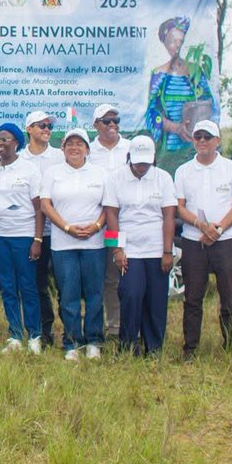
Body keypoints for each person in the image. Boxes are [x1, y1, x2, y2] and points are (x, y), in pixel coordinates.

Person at [173, 120, 232, 360]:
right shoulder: (183, 170)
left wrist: (219, 228)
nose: (202, 141)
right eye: (198, 137)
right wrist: (201, 225)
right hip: (194, 240)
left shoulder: (231, 168)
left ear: (218, 140)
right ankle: (190, 349)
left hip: (226, 240)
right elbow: (180, 207)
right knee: (193, 297)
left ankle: (231, 347)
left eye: (207, 137)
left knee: (229, 296)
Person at [103, 135, 176, 357]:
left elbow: (169, 217)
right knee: (131, 294)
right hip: (129, 248)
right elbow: (111, 215)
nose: (141, 166)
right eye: (137, 162)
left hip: (156, 248)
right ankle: (128, 344)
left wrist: (167, 251)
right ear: (129, 158)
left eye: (146, 162)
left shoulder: (163, 178)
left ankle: (153, 347)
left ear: (153, 158)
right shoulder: (116, 178)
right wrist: (116, 250)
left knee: (156, 299)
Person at [40, 128, 109, 360]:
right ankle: (71, 342)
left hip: (94, 243)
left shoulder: (100, 173)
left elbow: (109, 207)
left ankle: (94, 341)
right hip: (63, 244)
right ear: (63, 149)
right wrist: (67, 227)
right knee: (68, 295)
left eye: (80, 144)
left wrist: (97, 227)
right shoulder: (53, 173)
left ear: (87, 149)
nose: (74, 148)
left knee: (94, 294)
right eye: (70, 144)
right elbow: (46, 205)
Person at [0, 121, 43, 353]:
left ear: (16, 142)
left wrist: (37, 240)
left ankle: (35, 336)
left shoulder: (29, 169)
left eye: (5, 139)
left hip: (23, 235)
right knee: (7, 286)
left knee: (27, 286)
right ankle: (15, 336)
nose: (0, 143)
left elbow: (39, 208)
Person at [20, 110, 63, 349]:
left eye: (49, 126)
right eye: (41, 125)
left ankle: (72, 331)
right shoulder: (19, 159)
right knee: (37, 284)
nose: (46, 129)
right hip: (33, 232)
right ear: (29, 129)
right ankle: (44, 331)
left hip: (61, 231)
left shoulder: (60, 156)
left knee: (65, 285)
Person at [87, 103, 130, 342]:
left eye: (116, 120)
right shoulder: (89, 152)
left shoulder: (130, 148)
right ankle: (114, 326)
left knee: (131, 272)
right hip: (103, 223)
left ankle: (132, 322)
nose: (112, 125)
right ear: (96, 125)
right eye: (106, 121)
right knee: (111, 276)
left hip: (131, 221)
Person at [145, 17, 218, 152]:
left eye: (181, 41)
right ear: (164, 43)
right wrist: (176, 127)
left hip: (197, 147)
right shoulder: (159, 74)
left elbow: (210, 104)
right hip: (168, 152)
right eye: (172, 41)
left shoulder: (196, 71)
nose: (178, 45)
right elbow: (151, 112)